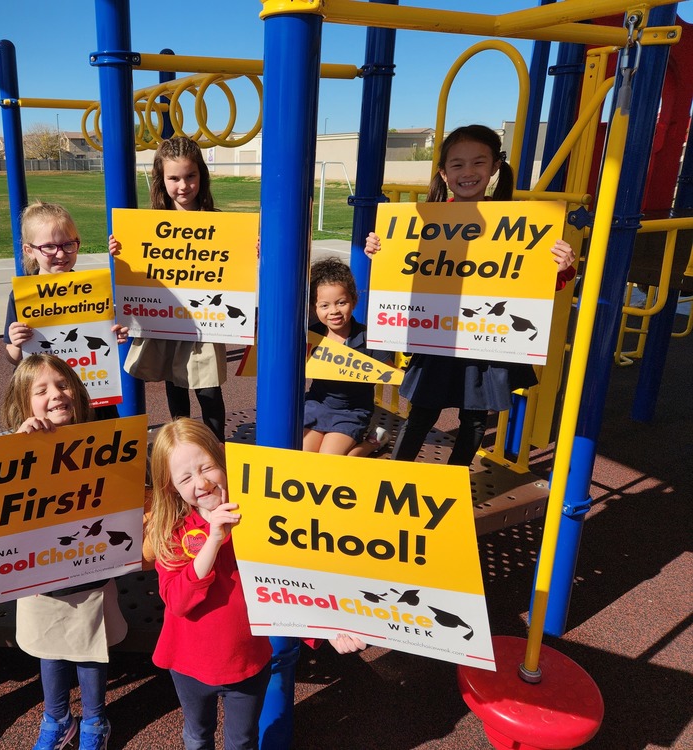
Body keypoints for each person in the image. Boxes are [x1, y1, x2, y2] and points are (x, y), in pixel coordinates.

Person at [147, 418, 366, 750]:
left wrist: (331, 627)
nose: (202, 482)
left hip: (246, 662)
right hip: (188, 663)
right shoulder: (172, 530)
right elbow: (178, 601)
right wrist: (213, 541)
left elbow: (291, 584)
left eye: (206, 467)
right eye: (186, 477)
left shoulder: (262, 517)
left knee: (242, 741)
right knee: (196, 734)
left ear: (223, 461)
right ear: (171, 487)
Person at [364, 124, 577, 466]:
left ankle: (455, 485)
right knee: (422, 412)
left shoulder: (521, 224)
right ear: (444, 173)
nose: (468, 172)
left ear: (494, 167)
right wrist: (380, 250)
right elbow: (400, 273)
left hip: (489, 339)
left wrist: (562, 268)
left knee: (475, 418)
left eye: (478, 163)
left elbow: (534, 282)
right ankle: (397, 475)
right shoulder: (422, 221)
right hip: (439, 333)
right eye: (457, 165)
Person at [1, 354, 125, 750]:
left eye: (63, 385)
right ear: (23, 404)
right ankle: (56, 717)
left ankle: (94, 720)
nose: (56, 395)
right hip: (38, 574)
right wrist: (22, 447)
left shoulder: (101, 436)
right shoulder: (12, 446)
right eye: (41, 390)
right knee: (48, 648)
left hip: (89, 568)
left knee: (90, 648)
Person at [109, 136, 229, 443]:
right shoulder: (148, 224)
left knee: (208, 386)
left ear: (202, 175)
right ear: (162, 180)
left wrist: (249, 250)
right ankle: (184, 444)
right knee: (175, 383)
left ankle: (216, 446)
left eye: (191, 176)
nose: (183, 185)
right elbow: (138, 269)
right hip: (167, 317)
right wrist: (122, 251)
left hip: (206, 320)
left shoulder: (219, 223)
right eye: (174, 178)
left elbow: (234, 266)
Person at [3, 201, 127, 366]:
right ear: (30, 251)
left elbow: (100, 338)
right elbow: (12, 358)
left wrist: (112, 336)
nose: (60, 254)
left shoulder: (90, 291)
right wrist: (17, 344)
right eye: (49, 247)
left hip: (83, 378)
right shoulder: (22, 296)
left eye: (68, 244)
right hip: (40, 383)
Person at [304, 256, 390, 457]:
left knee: (331, 459)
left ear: (354, 300)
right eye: (324, 305)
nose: (334, 311)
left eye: (341, 302)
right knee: (303, 456)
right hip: (318, 404)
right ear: (314, 308)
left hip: (352, 411)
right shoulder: (312, 334)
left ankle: (374, 441)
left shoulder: (369, 338)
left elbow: (391, 373)